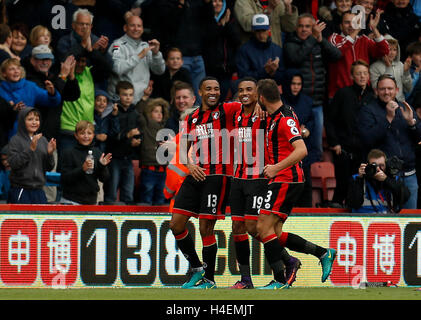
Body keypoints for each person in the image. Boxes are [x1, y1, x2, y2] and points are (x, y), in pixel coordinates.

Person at [255, 78, 336, 289]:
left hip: (285, 178)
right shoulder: (279, 113)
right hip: (284, 179)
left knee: (263, 228)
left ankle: (280, 280)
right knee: (276, 233)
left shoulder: (284, 119)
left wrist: (275, 167)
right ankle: (322, 253)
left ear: (262, 98)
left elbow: (302, 150)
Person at [169, 76, 242, 289]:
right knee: (176, 223)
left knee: (205, 228)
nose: (213, 92)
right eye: (208, 88)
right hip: (196, 173)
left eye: (217, 88)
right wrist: (190, 165)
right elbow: (183, 150)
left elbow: (250, 101)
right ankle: (196, 267)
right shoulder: (191, 118)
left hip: (218, 177)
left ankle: (209, 280)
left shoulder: (227, 111)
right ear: (200, 92)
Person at [284, 12, 342, 163]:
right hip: (296, 103)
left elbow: (337, 55)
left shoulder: (317, 42)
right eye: (301, 26)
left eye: (308, 27)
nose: (304, 29)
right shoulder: (290, 43)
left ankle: (311, 181)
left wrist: (320, 39)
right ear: (296, 28)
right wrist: (312, 39)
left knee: (316, 146)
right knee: (294, 145)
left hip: (317, 103)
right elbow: (296, 58)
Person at [357, 74, 421, 209]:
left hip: (409, 174)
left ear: (397, 90)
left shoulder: (405, 108)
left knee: (409, 220)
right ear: (376, 91)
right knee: (387, 220)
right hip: (383, 177)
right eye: (382, 89)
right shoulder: (367, 110)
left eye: (390, 88)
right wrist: (388, 119)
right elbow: (367, 140)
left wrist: (412, 123)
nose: (387, 92)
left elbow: (418, 138)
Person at [325, 59, 376, 208]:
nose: (362, 76)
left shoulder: (372, 96)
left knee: (359, 185)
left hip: (364, 150)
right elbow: (330, 120)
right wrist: (334, 142)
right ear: (352, 76)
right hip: (344, 149)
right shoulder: (343, 93)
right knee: (342, 183)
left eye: (365, 73)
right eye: (358, 73)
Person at [327, 10, 389, 99]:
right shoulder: (334, 38)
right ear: (340, 26)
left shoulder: (363, 39)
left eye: (354, 22)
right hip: (340, 94)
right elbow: (338, 51)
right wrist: (356, 31)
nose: (351, 25)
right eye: (347, 22)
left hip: (362, 93)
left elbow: (384, 50)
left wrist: (374, 29)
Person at [108, 14, 166, 105]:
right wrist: (139, 56)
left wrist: (156, 54)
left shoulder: (146, 46)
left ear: (142, 29)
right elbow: (117, 69)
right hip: (120, 102)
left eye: (139, 26)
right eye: (132, 25)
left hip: (142, 100)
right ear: (125, 28)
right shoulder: (117, 45)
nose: (136, 29)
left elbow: (159, 71)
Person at [0, 58, 62, 140]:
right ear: (4, 73)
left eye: (18, 68)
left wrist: (52, 93)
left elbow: (52, 102)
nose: (16, 71)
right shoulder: (1, 89)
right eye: (12, 69)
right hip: (4, 135)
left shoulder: (30, 86)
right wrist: (12, 109)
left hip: (27, 136)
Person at [281, 71, 316, 207]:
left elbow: (311, 121)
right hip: (285, 150)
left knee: (305, 183)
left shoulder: (307, 101)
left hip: (303, 148)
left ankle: (306, 210)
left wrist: (307, 130)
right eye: (293, 84)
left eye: (299, 84)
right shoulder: (281, 101)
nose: (296, 87)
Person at [7, 107, 56, 204]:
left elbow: (49, 167)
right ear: (22, 121)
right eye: (30, 119)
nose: (34, 122)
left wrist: (50, 154)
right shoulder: (15, 140)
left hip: (39, 190)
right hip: (21, 190)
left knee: (41, 219)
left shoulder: (43, 140)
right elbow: (14, 163)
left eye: (37, 119)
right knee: (21, 219)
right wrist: (30, 149)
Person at [103, 81, 141, 204]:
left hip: (128, 157)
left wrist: (136, 142)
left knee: (128, 195)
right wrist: (127, 136)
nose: (128, 97)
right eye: (125, 94)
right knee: (111, 193)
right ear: (118, 96)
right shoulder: (112, 112)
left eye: (130, 94)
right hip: (113, 157)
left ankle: (128, 222)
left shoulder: (135, 113)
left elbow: (139, 132)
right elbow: (110, 136)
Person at [60, 120, 112, 205]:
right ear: (76, 136)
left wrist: (102, 166)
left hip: (91, 201)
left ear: (93, 135)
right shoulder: (68, 153)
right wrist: (82, 169)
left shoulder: (97, 153)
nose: (86, 136)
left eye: (89, 133)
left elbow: (104, 178)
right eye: (82, 133)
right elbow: (64, 179)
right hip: (71, 201)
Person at [346, 149, 410, 213]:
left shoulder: (393, 179)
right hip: (364, 220)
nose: (378, 169)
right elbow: (353, 204)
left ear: (386, 166)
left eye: (381, 165)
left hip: (387, 221)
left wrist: (386, 180)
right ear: (367, 165)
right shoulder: (356, 178)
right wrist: (360, 179)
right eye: (374, 165)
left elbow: (405, 197)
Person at [202, 0, 242, 101]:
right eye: (214, 1)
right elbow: (206, 39)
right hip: (209, 70)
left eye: (220, 1)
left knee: (223, 100)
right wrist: (220, 26)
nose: (217, 3)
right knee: (210, 100)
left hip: (226, 69)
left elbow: (237, 40)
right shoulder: (205, 19)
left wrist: (226, 24)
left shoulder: (231, 19)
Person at [236, 14, 285, 85]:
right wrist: (265, 71)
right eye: (258, 31)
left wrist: (273, 73)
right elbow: (243, 76)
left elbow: (283, 75)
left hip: (271, 91)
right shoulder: (244, 50)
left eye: (263, 30)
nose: (261, 34)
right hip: (252, 91)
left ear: (269, 29)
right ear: (253, 31)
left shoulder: (277, 49)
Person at [138, 97, 170, 205]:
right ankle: (143, 222)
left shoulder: (166, 128)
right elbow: (140, 112)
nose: (159, 114)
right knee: (146, 199)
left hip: (163, 171)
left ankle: (159, 221)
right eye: (156, 111)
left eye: (161, 112)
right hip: (149, 170)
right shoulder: (146, 125)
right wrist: (144, 99)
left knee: (161, 199)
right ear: (149, 112)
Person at [234, 0, 299, 47]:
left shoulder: (278, 2)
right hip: (253, 53)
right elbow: (247, 24)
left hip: (275, 50)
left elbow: (289, 27)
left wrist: (288, 7)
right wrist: (269, 9)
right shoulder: (242, 2)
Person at [370, 36, 413, 102]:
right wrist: (388, 67)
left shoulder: (400, 65)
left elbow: (408, 89)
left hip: (400, 103)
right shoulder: (374, 67)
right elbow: (377, 90)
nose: (392, 53)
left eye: (394, 50)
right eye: (389, 49)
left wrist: (406, 72)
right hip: (383, 105)